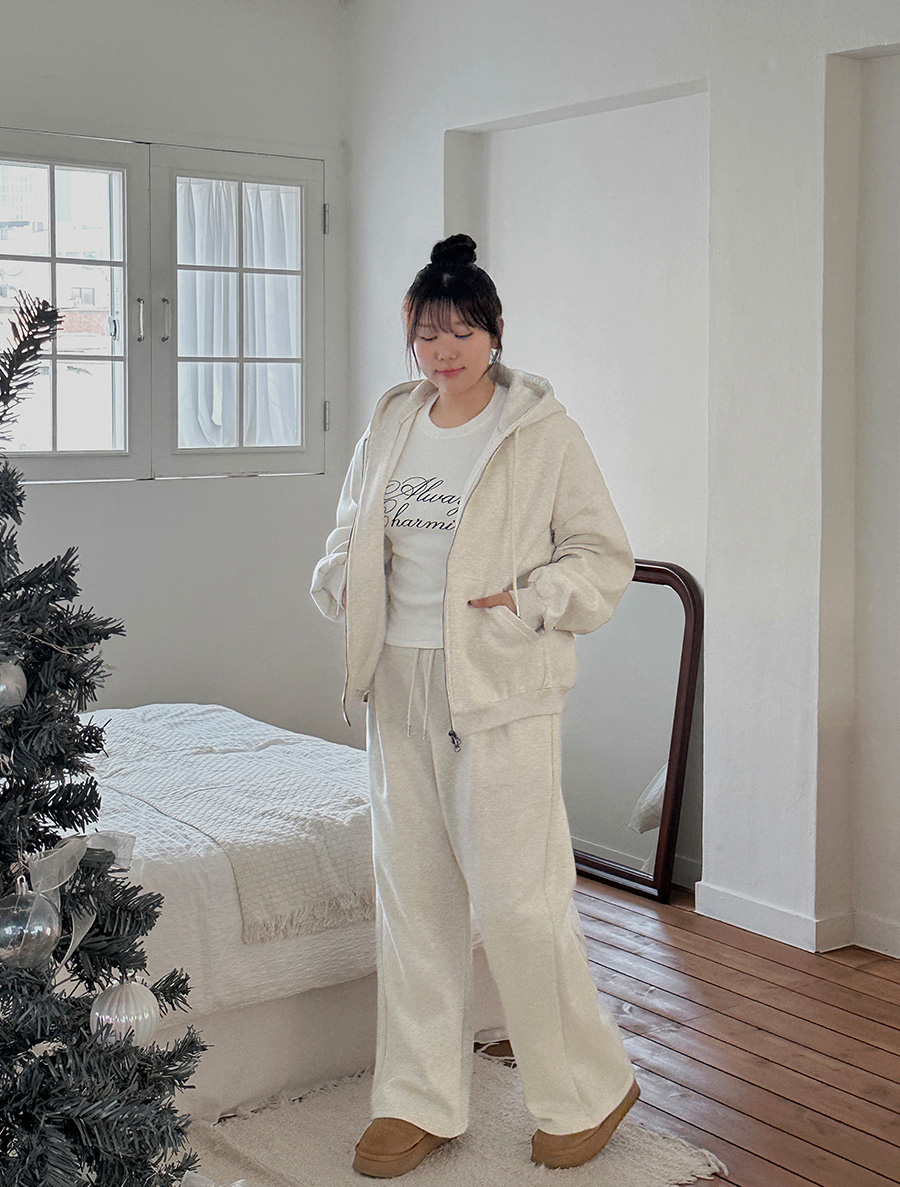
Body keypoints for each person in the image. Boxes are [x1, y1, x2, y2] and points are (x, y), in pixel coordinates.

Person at [310, 234, 639, 1178]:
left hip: (499, 692)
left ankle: (587, 1086)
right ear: (409, 337)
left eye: (460, 331)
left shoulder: (541, 434)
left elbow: (602, 557)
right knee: (415, 902)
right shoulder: (391, 422)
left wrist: (529, 601)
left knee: (520, 902)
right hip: (395, 684)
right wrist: (341, 582)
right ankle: (417, 1098)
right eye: (427, 332)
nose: (443, 349)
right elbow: (347, 531)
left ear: (494, 332)